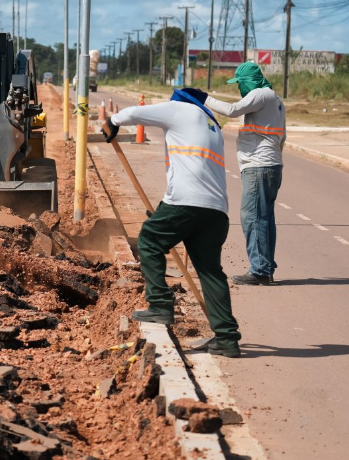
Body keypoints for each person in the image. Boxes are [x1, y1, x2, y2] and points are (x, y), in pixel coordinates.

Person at [102, 87, 243, 358]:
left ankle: (160, 305)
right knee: (211, 272)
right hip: (216, 210)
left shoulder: (181, 109)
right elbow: (193, 169)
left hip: (187, 202)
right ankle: (226, 338)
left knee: (149, 240)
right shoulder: (212, 124)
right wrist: (162, 214)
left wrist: (113, 121)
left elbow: (133, 113)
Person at [204, 61, 287, 285]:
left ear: (249, 80)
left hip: (259, 166)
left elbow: (231, 110)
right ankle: (265, 267)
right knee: (265, 218)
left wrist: (204, 98)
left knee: (252, 217)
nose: (239, 87)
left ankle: (260, 270)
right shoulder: (276, 99)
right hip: (269, 165)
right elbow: (283, 137)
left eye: (240, 83)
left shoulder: (260, 94)